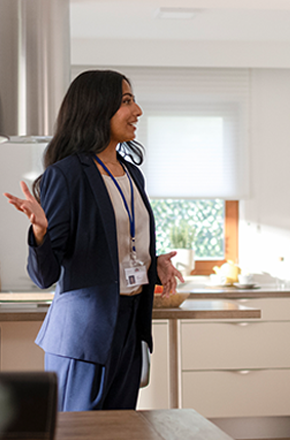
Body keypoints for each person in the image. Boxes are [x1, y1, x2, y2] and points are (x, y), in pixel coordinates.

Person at [3, 70, 184, 411]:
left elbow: (119, 243)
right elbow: (45, 276)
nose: (137, 111)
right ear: (97, 108)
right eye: (127, 101)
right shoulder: (67, 175)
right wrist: (41, 233)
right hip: (83, 336)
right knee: (78, 434)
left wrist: (152, 263)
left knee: (119, 433)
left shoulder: (133, 174)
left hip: (129, 329)